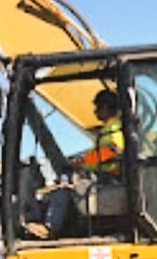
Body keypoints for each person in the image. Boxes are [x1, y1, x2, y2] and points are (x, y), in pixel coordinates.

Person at [25, 89, 124, 239]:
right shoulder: (110, 128)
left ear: (105, 107)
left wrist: (83, 163)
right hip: (104, 173)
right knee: (67, 180)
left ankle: (51, 226)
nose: (95, 111)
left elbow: (112, 150)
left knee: (66, 182)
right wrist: (82, 162)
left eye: (97, 107)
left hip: (108, 176)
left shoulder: (114, 128)